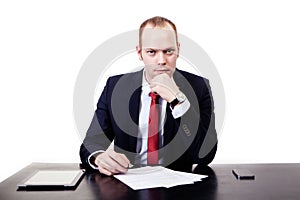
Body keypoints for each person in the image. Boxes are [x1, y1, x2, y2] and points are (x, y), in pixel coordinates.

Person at [80, 16, 217, 176]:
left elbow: (205, 155)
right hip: (127, 184)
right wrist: (99, 157)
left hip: (177, 188)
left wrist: (178, 101)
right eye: (151, 52)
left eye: (168, 51)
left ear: (178, 50)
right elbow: (92, 142)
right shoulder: (116, 87)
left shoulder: (199, 88)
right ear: (140, 53)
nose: (161, 60)